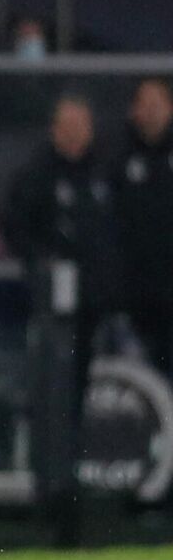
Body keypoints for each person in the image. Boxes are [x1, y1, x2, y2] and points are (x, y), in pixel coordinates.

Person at [1, 95, 118, 547]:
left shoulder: (104, 172)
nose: (74, 133)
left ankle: (77, 492)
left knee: (78, 405)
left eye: (80, 125)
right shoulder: (36, 174)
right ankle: (53, 497)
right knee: (52, 401)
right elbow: (14, 225)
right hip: (53, 313)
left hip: (97, 309)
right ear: (54, 129)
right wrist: (41, 266)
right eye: (66, 125)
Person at [109, 79, 173, 377]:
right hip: (133, 294)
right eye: (145, 105)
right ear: (133, 111)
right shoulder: (116, 159)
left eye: (157, 104)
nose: (151, 112)